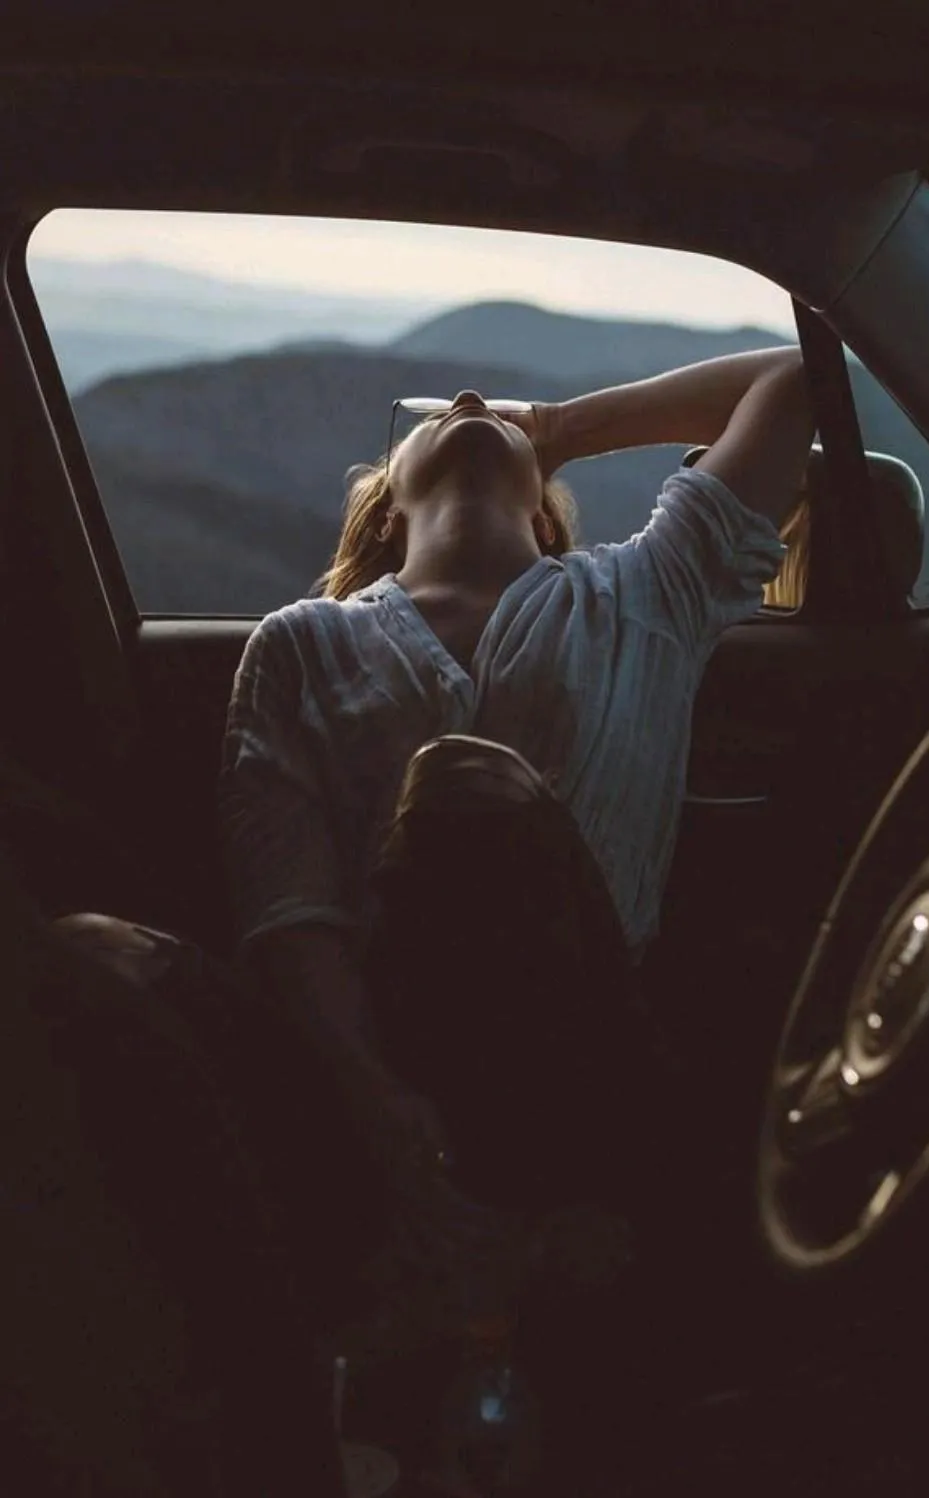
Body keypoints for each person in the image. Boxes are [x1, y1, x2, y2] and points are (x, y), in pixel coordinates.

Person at [218, 347, 814, 1262]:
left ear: (543, 511)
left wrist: (561, 429)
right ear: (389, 503)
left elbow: (797, 378)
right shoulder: (300, 643)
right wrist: (373, 1094)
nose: (467, 398)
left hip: (596, 1065)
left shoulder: (647, 590)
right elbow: (294, 908)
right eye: (437, 420)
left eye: (486, 404)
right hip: (385, 1065)